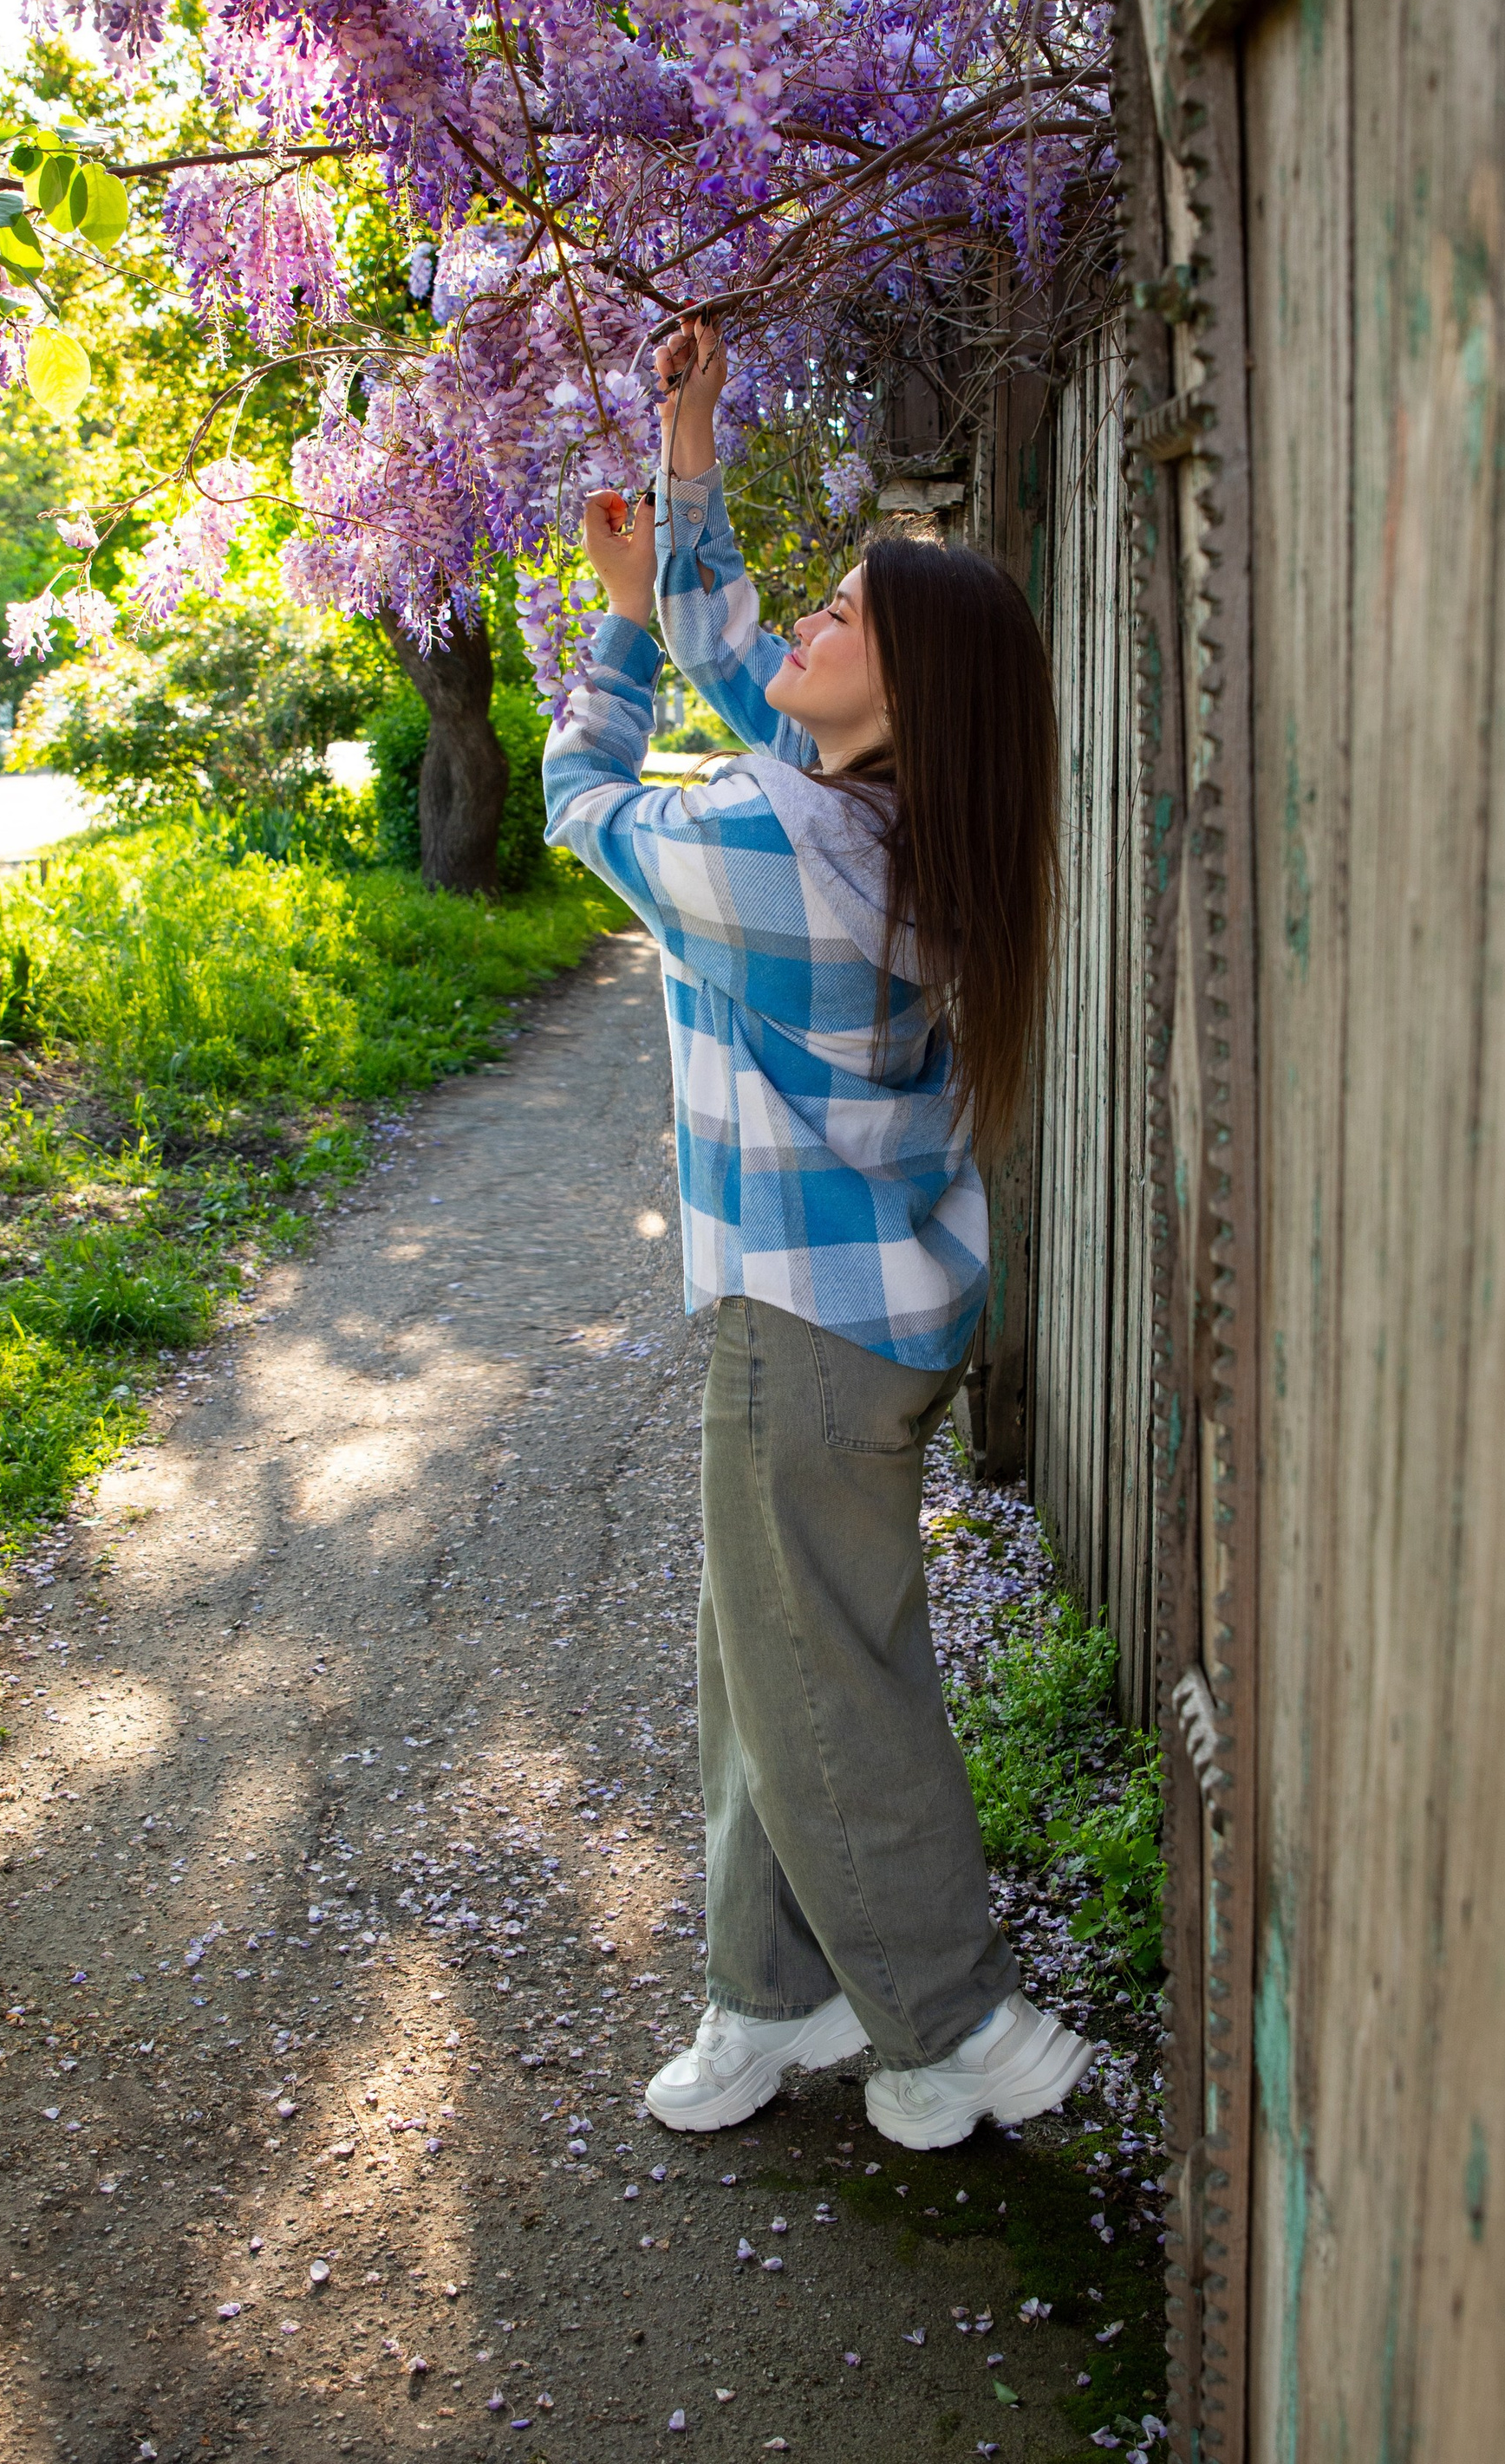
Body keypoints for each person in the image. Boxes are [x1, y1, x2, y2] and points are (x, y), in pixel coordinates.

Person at [542, 313, 1094, 2154]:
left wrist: (617, 633)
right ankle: (772, 1996)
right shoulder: (899, 825)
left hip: (802, 1333)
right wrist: (687, 458)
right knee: (762, 1662)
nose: (805, 624)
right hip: (869, 1314)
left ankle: (956, 2021)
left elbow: (583, 800)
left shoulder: (780, 853)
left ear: (900, 697)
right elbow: (754, 666)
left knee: (821, 1686)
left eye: (841, 614)